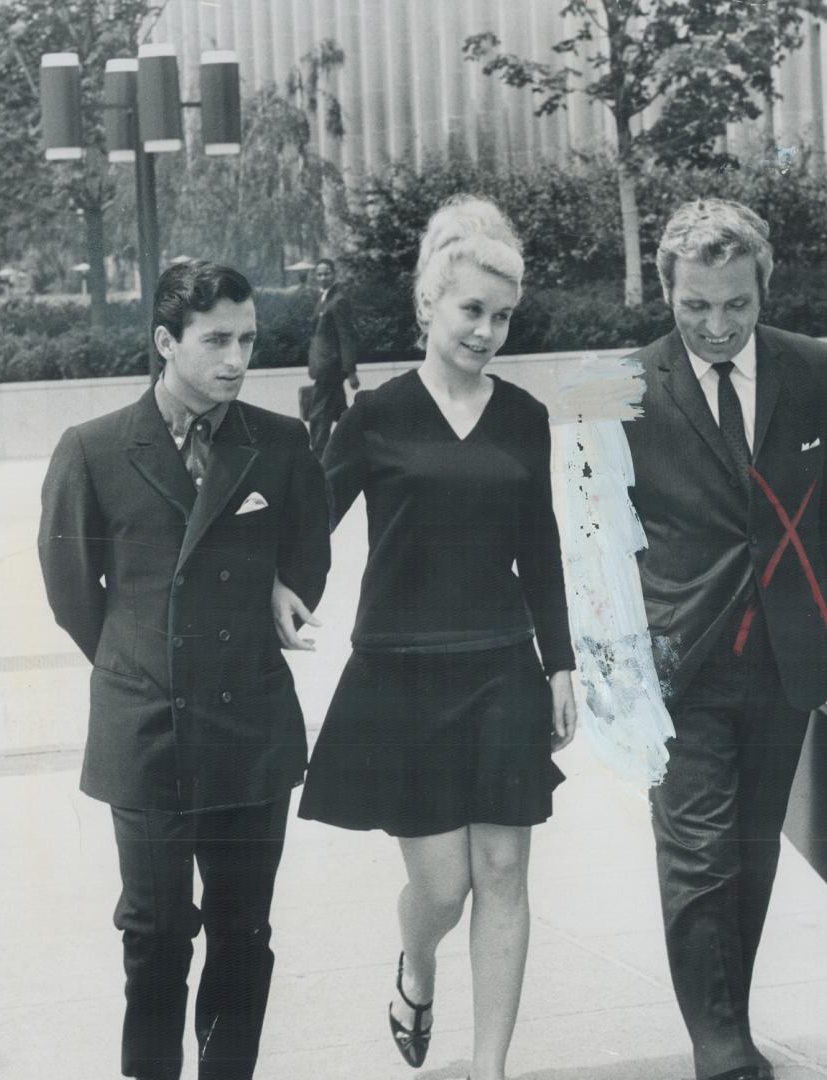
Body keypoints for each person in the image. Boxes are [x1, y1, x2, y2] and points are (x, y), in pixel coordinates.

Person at [286, 196, 577, 1080]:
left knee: (503, 873)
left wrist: (559, 661)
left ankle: (487, 1068)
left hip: (500, 668)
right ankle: (416, 966)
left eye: (501, 316)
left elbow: (542, 547)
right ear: (427, 306)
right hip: (402, 674)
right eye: (470, 312)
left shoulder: (524, 417)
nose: (486, 331)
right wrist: (282, 585)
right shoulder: (376, 416)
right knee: (443, 887)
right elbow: (313, 518)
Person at [38, 259, 331, 1079]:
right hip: (147, 729)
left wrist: (285, 587)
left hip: (249, 727)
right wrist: (141, 661)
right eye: (216, 341)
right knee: (156, 930)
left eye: (247, 339)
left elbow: (310, 546)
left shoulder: (277, 442)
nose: (237, 359)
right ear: (166, 342)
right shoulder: (93, 450)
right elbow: (71, 593)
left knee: (243, 930)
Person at [623, 199, 827, 1080]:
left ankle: (729, 1014)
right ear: (666, 291)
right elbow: (585, 540)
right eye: (695, 306)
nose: (717, 325)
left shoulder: (814, 369)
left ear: (763, 288)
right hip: (676, 662)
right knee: (695, 851)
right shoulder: (616, 385)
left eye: (736, 304)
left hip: (785, 654)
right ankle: (720, 1047)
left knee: (751, 847)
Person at [300, 256, 360, 461]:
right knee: (340, 412)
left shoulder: (339, 300)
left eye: (327, 273)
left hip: (331, 366)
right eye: (319, 274)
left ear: (334, 275)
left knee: (318, 413)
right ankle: (360, 443)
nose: (323, 277)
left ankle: (317, 458)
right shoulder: (324, 298)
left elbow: (347, 336)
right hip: (324, 365)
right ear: (315, 277)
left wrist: (351, 371)